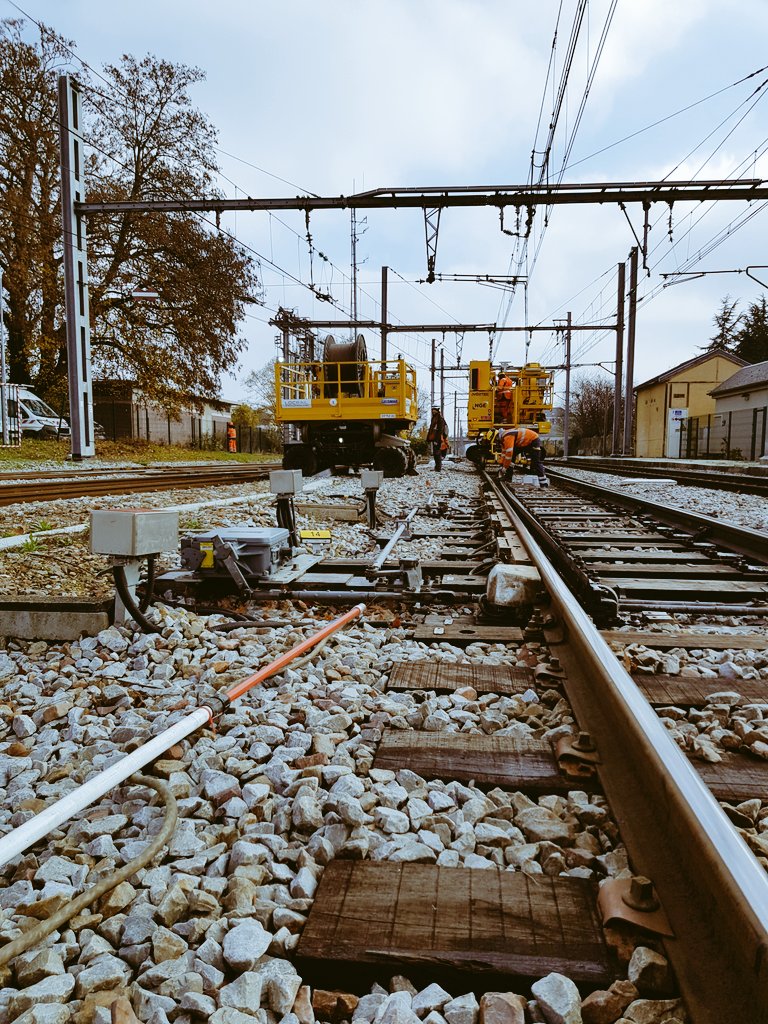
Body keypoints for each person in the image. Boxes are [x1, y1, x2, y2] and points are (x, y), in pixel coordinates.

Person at [427, 405, 449, 471]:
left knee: (437, 453)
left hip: (438, 438)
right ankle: (437, 467)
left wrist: (437, 440)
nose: (433, 411)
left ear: (437, 410)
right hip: (435, 438)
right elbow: (431, 429)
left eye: (434, 409)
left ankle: (438, 468)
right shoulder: (435, 418)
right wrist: (428, 438)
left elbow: (440, 430)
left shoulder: (439, 418)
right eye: (432, 409)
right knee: (435, 453)